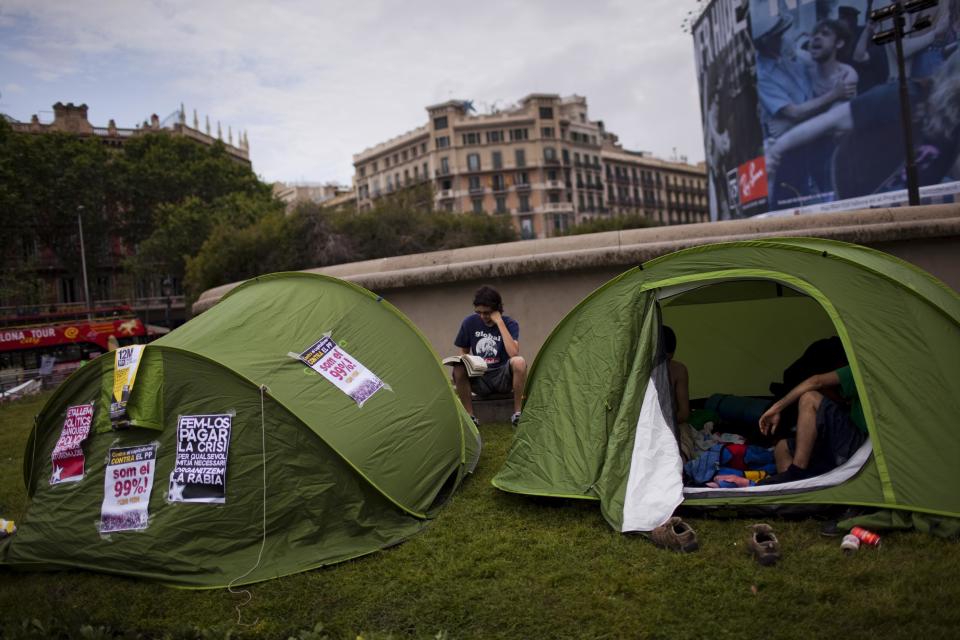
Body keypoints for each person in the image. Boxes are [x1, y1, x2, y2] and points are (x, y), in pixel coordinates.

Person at [766, 48, 960, 199]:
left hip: (896, 209)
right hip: (846, 191)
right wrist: (776, 149)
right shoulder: (905, 95)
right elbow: (829, 121)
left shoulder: (954, 125)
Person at [757, 365, 867, 484]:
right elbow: (839, 398)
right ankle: (794, 491)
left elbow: (816, 381)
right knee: (782, 447)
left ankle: (796, 471)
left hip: (859, 448)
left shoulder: (864, 368)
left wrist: (777, 408)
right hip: (843, 445)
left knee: (809, 398)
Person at [452, 285, 526, 427]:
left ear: (497, 310)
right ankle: (470, 417)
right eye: (479, 312)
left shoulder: (510, 324)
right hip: (480, 377)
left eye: (487, 312)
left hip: (502, 378)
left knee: (519, 362)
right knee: (458, 366)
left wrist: (499, 322)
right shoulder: (469, 323)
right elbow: (463, 352)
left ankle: (518, 414)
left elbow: (513, 353)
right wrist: (466, 361)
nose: (483, 317)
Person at [663, 326, 693, 461]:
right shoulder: (640, 373)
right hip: (647, 425)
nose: (664, 364)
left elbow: (684, 412)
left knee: (679, 452)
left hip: (674, 423)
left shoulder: (678, 370)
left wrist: (665, 424)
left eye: (668, 360)